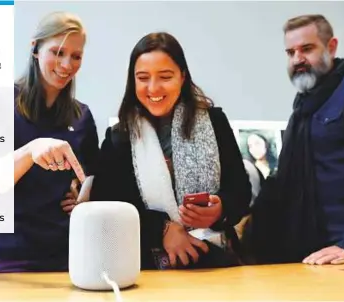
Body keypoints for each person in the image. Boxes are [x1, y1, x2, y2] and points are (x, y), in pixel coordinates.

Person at [90, 32, 251, 270]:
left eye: (165, 76)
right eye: (143, 78)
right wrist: (162, 229)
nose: (153, 88)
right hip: (143, 269)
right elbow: (105, 209)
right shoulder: (118, 138)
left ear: (182, 77)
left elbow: (240, 191)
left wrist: (221, 208)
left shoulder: (215, 122)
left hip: (216, 263)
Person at [0, 11, 100, 272]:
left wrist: (82, 197)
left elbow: (90, 181)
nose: (67, 64)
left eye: (76, 56)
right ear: (35, 49)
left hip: (68, 254)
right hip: (9, 256)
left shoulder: (82, 117)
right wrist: (31, 151)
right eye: (57, 52)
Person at [250, 14, 344, 265]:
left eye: (307, 49)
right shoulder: (304, 106)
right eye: (290, 52)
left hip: (343, 252)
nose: (298, 59)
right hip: (309, 250)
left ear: (331, 46)